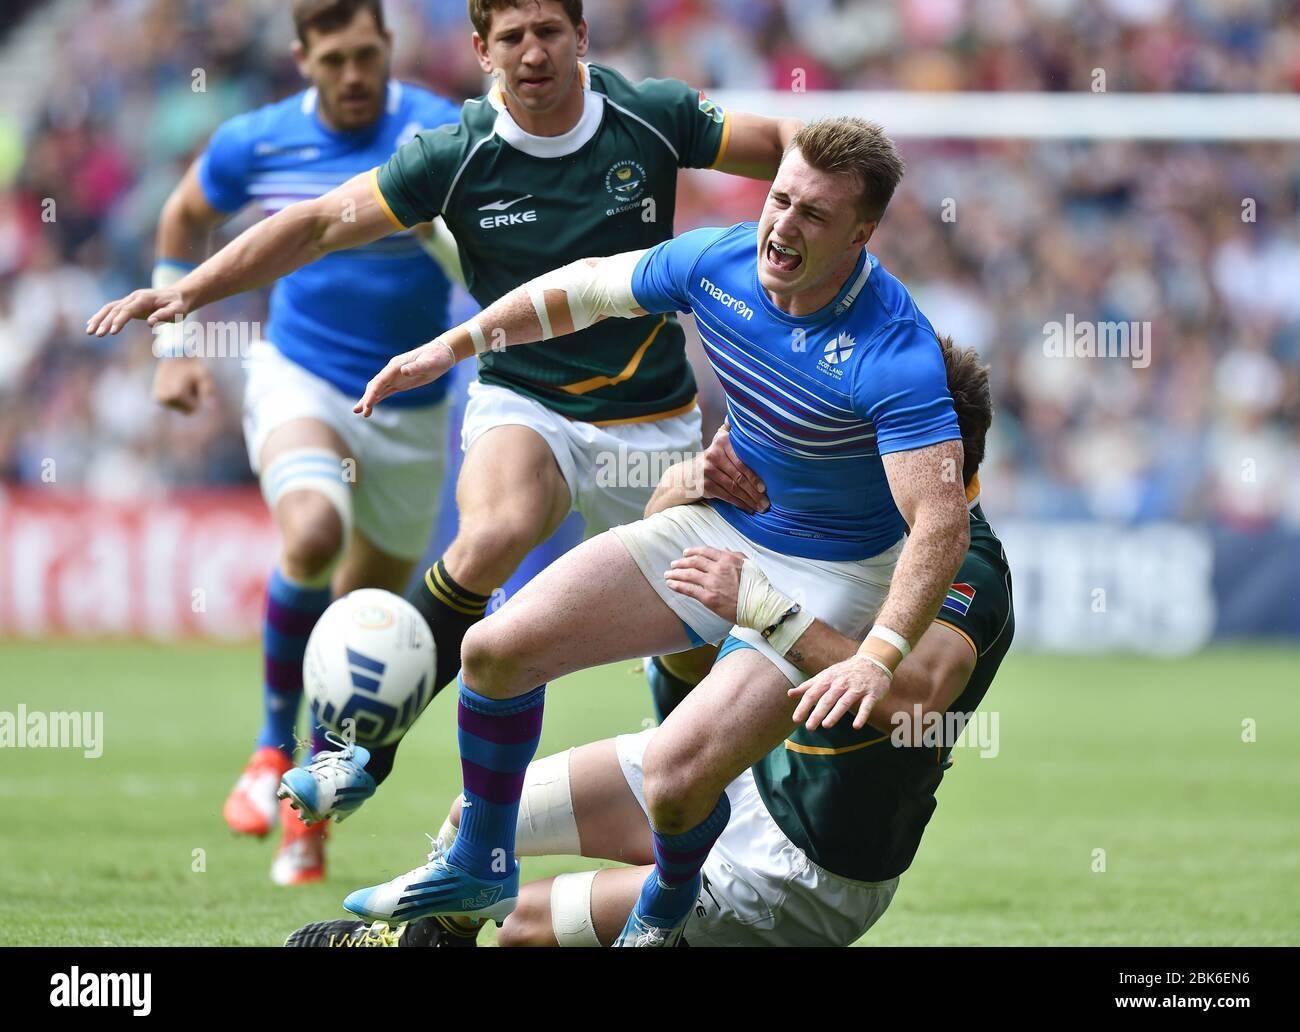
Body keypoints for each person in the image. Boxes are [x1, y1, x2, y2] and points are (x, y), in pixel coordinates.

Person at [86, 0, 801, 819]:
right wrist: (187, 293)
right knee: (492, 535)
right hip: (521, 396)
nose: (533, 53)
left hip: (651, 421)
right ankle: (358, 754)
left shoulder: (655, 116)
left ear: (581, 38)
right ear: (481, 50)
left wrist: (805, 231)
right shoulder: (457, 155)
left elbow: (783, 144)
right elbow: (316, 224)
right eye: (512, 38)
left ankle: (701, 804)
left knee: (690, 639)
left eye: (548, 33)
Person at [340, 116, 972, 946]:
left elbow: (940, 520)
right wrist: (454, 346)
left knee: (675, 780)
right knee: (494, 652)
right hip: (726, 527)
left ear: (862, 232)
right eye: (779, 198)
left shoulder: (894, 351)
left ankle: (669, 898)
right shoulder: (718, 264)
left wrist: (877, 655)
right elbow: (586, 287)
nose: (782, 226)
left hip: (833, 576)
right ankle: (480, 863)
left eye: (813, 216)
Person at [286, 336, 1014, 948]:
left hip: (803, 862)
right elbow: (676, 568)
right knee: (475, 818)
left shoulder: (967, 560)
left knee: (525, 930)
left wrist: (768, 610)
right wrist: (687, 488)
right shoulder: (838, 510)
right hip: (725, 771)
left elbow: (917, 698)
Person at [143, 0, 461, 885]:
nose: (353, 75)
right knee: (312, 531)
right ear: (302, 58)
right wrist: (172, 352)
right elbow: (179, 221)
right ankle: (263, 749)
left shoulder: (439, 127)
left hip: (411, 404)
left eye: (367, 55)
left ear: (389, 49)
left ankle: (305, 815)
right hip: (300, 373)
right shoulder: (258, 139)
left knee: (363, 626)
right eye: (335, 60)